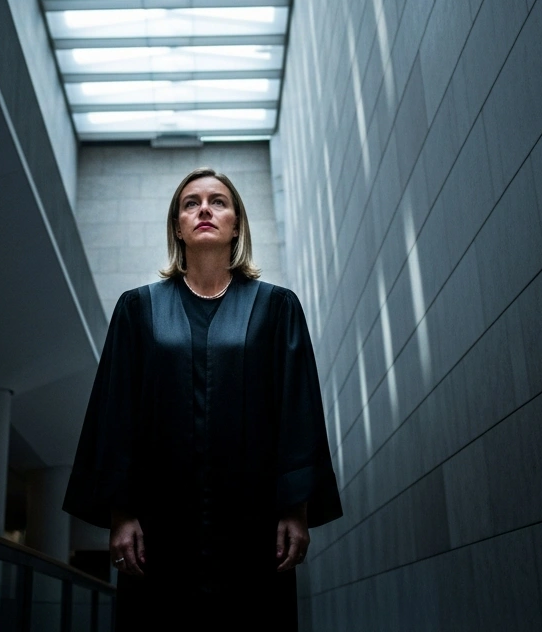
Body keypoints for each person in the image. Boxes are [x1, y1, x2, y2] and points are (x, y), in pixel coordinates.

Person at [64, 167, 343, 631]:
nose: (205, 210)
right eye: (191, 203)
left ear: (237, 223)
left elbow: (298, 412)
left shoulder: (277, 308)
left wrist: (295, 509)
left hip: (252, 527)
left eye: (219, 201)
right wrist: (121, 511)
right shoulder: (138, 309)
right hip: (159, 527)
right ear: (178, 226)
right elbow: (115, 414)